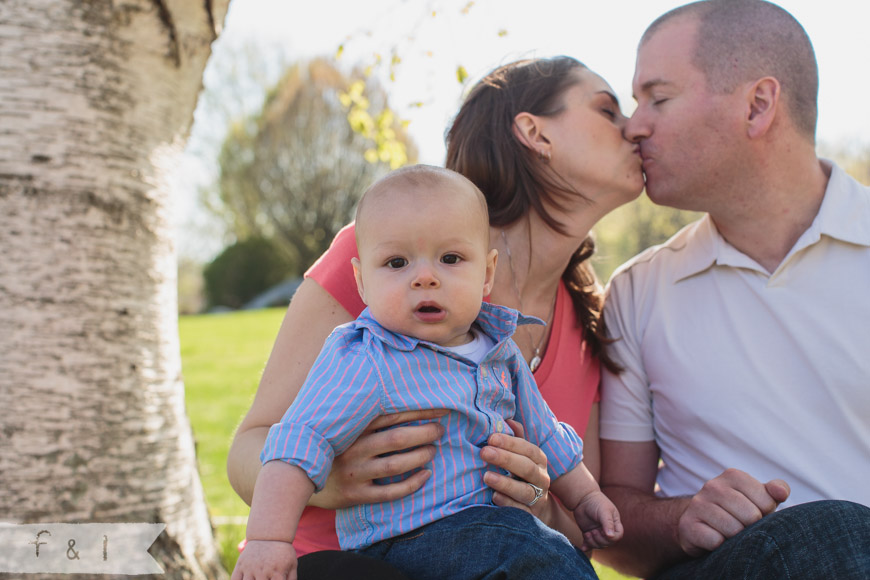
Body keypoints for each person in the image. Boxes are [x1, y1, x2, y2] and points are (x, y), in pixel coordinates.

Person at [226, 56, 644, 578]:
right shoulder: (384, 259)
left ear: (486, 273)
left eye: (452, 261)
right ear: (535, 134)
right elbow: (254, 446)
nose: (637, 126)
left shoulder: (585, 325)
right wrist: (333, 479)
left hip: (505, 552)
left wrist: (538, 503)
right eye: (609, 110)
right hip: (340, 564)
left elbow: (582, 528)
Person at [596, 1, 870, 579]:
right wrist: (680, 519)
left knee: (840, 536)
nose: (633, 125)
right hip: (718, 570)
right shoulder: (637, 292)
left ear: (758, 105)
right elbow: (611, 526)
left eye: (658, 98)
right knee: (831, 532)